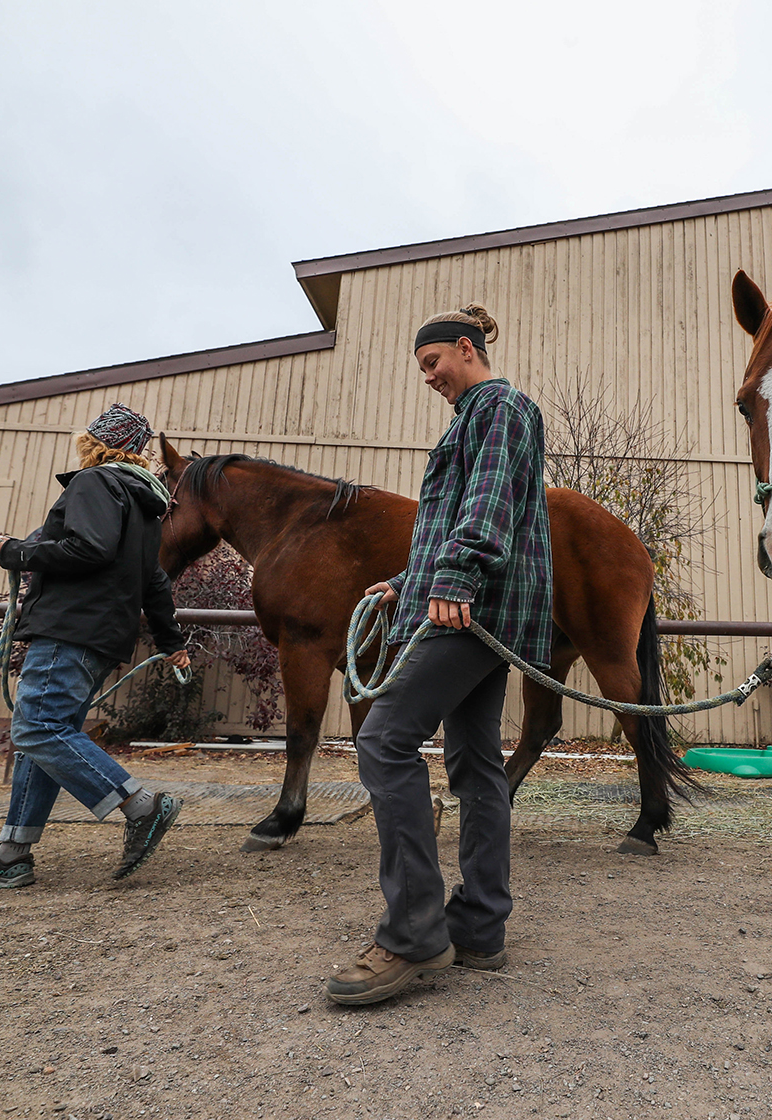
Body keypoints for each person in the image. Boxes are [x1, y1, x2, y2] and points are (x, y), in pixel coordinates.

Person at [325, 305, 554, 1005]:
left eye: (433, 364)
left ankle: (415, 933)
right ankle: (480, 926)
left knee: (386, 739)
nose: (429, 378)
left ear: (465, 348)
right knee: (475, 761)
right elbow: (459, 518)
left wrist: (454, 577)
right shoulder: (474, 419)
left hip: (473, 609)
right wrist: (406, 582)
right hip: (475, 606)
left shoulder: (500, 407)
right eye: (422, 369)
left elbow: (486, 505)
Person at [0, 403, 192, 889]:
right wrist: (172, 642)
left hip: (69, 631)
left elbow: (88, 548)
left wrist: (16, 552)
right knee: (47, 739)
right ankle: (12, 853)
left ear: (95, 443)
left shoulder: (95, 483)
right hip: (99, 638)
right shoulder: (145, 505)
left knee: (37, 729)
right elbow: (155, 582)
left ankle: (142, 807)